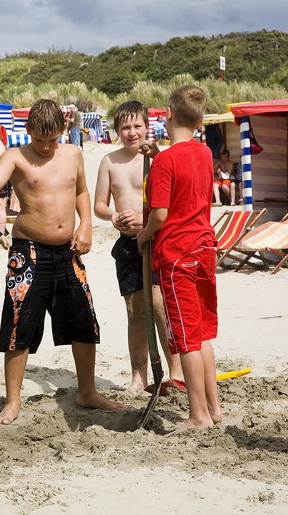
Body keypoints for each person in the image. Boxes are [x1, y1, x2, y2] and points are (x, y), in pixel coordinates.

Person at [0, 99, 123, 425]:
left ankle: (87, 391)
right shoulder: (15, 156)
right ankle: (12, 402)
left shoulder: (72, 153)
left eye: (52, 140)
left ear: (62, 132)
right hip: (28, 252)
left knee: (84, 321)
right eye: (39, 140)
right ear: (27, 131)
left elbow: (82, 192)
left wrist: (86, 225)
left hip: (68, 252)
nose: (45, 147)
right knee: (19, 326)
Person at [135, 85, 222, 430]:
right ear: (201, 120)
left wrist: (143, 236)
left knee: (185, 338)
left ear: (167, 114)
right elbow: (183, 172)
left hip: (176, 252)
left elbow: (159, 213)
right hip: (204, 247)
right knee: (200, 334)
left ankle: (198, 415)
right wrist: (158, 154)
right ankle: (213, 409)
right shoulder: (203, 153)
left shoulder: (166, 162)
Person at [93, 100, 185, 394]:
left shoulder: (161, 159)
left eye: (137, 126)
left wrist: (156, 154)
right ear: (117, 130)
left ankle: (176, 372)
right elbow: (99, 206)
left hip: (159, 241)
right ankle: (139, 376)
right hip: (129, 244)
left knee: (160, 306)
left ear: (148, 127)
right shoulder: (110, 161)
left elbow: (172, 202)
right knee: (134, 311)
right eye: (125, 127)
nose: (132, 132)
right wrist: (115, 216)